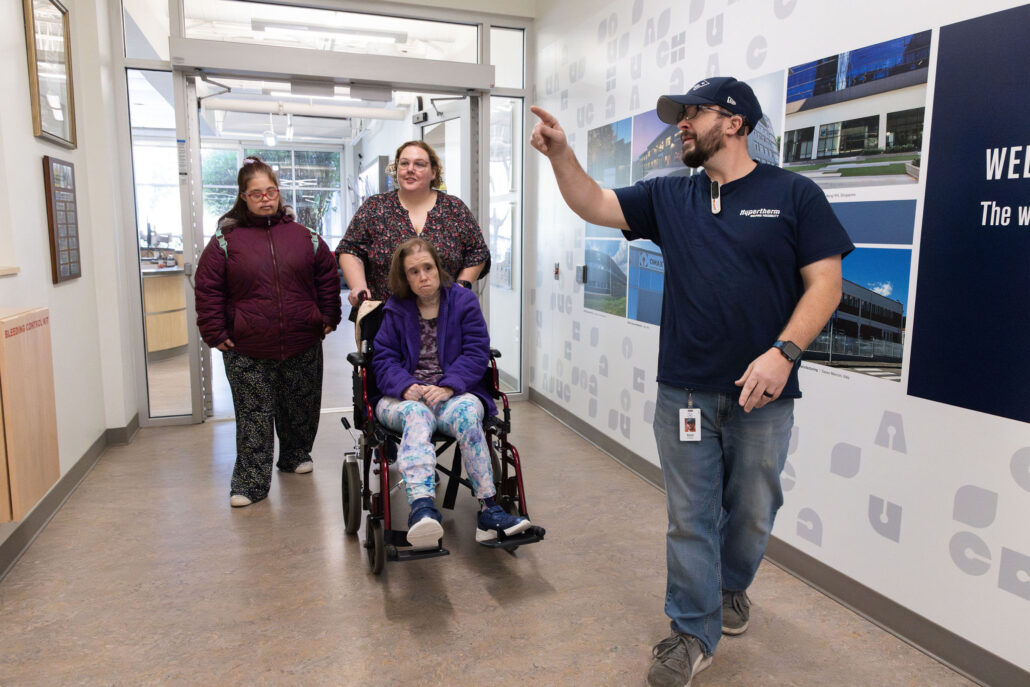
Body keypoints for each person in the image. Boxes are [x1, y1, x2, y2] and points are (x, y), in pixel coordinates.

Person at [531, 77, 854, 686]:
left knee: (753, 510)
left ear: (733, 123)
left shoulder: (795, 195)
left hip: (764, 394)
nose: (679, 124)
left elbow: (826, 285)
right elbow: (597, 203)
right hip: (684, 390)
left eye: (692, 113)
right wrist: (562, 157)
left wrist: (784, 352)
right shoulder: (670, 196)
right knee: (690, 516)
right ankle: (691, 631)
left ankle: (732, 587)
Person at [195, 156, 342, 508]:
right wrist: (215, 332)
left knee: (301, 406)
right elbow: (207, 289)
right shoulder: (224, 242)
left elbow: (327, 277)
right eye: (256, 193)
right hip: (246, 346)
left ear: (279, 193)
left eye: (270, 191)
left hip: (302, 340)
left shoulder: (305, 238)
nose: (265, 198)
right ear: (243, 197)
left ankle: (294, 455)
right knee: (255, 415)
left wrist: (328, 316)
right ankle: (250, 481)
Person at [370, 237, 530, 549]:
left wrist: (447, 386)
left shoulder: (462, 301)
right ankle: (422, 509)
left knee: (470, 414)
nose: (423, 277)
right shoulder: (395, 308)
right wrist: (405, 385)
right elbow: (383, 360)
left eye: (427, 267)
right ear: (404, 277)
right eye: (413, 272)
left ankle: (489, 510)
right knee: (416, 415)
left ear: (438, 267)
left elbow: (475, 352)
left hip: (452, 394)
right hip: (403, 399)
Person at [336, 140, 489, 307]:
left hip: (445, 315)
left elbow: (478, 252)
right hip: (385, 317)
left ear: (433, 173)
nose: (410, 169)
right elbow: (350, 250)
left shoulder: (454, 209)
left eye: (419, 164)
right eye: (404, 163)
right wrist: (359, 287)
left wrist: (462, 287)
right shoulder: (375, 207)